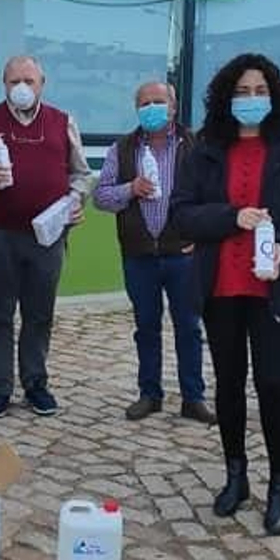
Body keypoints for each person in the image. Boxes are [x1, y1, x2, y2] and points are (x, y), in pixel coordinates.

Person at [172, 53, 280, 536]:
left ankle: (279, 485)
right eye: (242, 92)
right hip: (221, 287)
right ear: (226, 97)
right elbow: (181, 212)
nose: (251, 100)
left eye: (260, 91)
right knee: (229, 384)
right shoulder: (203, 150)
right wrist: (230, 217)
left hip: (273, 289)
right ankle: (235, 474)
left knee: (273, 385)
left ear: (275, 96)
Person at [0, 55, 93, 418]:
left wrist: (73, 202)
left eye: (29, 80)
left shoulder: (62, 121)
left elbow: (82, 173)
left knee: (39, 313)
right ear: (3, 84)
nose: (21, 87)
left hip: (47, 236)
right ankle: (0, 388)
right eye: (13, 81)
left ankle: (36, 383)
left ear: (42, 83)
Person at [93, 80, 214, 425]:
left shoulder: (195, 145)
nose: (151, 108)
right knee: (146, 326)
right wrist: (130, 189)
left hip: (184, 254)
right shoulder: (123, 148)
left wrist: (202, 237)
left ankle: (193, 397)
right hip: (139, 254)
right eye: (144, 103)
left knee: (189, 327)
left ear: (173, 107)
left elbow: (213, 196)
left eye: (158, 101)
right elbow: (101, 196)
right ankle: (150, 394)